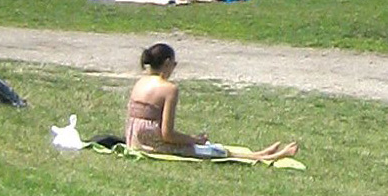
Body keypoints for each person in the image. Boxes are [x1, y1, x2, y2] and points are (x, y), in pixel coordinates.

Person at [125, 43, 297, 161]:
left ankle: (261, 153)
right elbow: (167, 135)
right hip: (151, 145)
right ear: (167, 63)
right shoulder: (169, 89)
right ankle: (267, 157)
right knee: (211, 150)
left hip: (135, 141)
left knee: (206, 146)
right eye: (174, 64)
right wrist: (193, 140)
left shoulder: (140, 82)